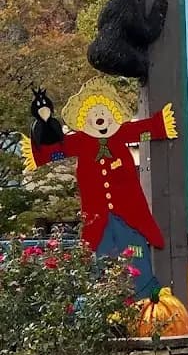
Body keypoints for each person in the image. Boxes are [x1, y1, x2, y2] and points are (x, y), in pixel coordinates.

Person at [22, 77, 178, 297]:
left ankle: (145, 293)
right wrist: (43, 128)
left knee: (135, 249)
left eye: (104, 114)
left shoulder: (122, 135)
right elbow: (55, 151)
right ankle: (105, 297)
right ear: (84, 119)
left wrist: (161, 124)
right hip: (98, 216)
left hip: (129, 212)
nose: (100, 119)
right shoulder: (80, 141)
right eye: (94, 115)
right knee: (102, 254)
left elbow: (144, 131)